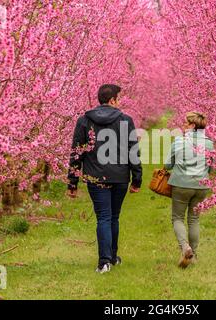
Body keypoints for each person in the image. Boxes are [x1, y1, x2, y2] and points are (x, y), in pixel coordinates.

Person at [67, 84, 142, 274]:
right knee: (113, 217)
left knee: (104, 217)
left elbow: (77, 152)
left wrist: (72, 182)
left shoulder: (84, 120)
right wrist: (136, 179)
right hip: (119, 177)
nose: (120, 102)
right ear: (112, 100)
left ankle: (105, 261)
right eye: (118, 98)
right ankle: (111, 258)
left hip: (95, 176)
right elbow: (133, 151)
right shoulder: (126, 120)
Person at [164, 112, 214, 268]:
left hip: (181, 185)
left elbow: (167, 165)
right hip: (201, 186)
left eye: (185, 123)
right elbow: (211, 167)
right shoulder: (209, 143)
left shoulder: (180, 141)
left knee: (177, 218)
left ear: (193, 126)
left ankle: (185, 247)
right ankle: (194, 256)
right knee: (194, 219)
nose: (183, 126)